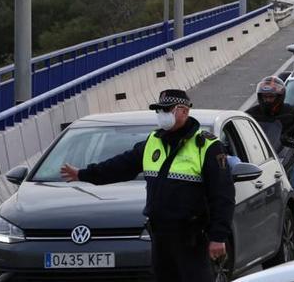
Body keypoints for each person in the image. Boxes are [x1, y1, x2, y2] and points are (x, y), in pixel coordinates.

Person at [59, 89, 234, 282]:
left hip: (192, 238)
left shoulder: (207, 146)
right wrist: (83, 173)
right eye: (159, 110)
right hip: (160, 237)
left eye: (167, 110)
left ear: (184, 111)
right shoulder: (153, 141)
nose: (162, 115)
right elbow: (120, 166)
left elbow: (222, 195)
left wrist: (218, 236)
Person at [245, 76, 294, 257]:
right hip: (258, 160)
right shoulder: (251, 114)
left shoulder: (292, 111)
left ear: (280, 97)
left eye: (271, 97)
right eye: (265, 97)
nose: (268, 100)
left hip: (285, 160)